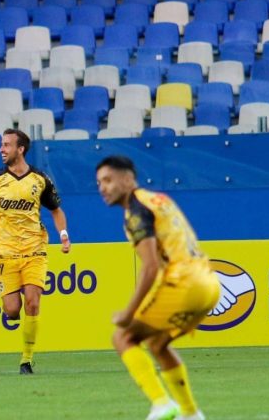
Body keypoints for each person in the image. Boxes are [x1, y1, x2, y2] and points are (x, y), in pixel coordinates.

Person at [96, 156, 219, 420]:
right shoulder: (159, 200)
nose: (102, 188)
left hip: (184, 282)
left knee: (123, 337)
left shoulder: (136, 210)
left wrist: (129, 313)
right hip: (208, 283)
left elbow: (151, 267)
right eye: (98, 183)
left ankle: (161, 403)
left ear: (128, 179)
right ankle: (190, 413)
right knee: (158, 343)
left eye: (108, 180)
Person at [0, 129, 71, 374]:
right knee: (12, 310)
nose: (1, 149)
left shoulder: (40, 179)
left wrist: (64, 236)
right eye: (1, 145)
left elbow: (56, 210)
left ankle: (26, 359)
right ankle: (17, 322)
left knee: (33, 303)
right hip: (5, 253)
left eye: (6, 145)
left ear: (20, 149)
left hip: (35, 250)